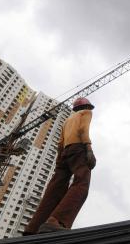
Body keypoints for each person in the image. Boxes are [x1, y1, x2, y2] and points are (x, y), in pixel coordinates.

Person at [23, 97, 96, 235]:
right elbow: (82, 130)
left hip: (64, 153)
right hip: (79, 149)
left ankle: (33, 228)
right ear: (86, 106)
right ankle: (56, 221)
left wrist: (59, 162)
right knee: (81, 183)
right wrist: (88, 148)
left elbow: (60, 143)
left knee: (55, 189)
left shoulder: (66, 121)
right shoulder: (86, 113)